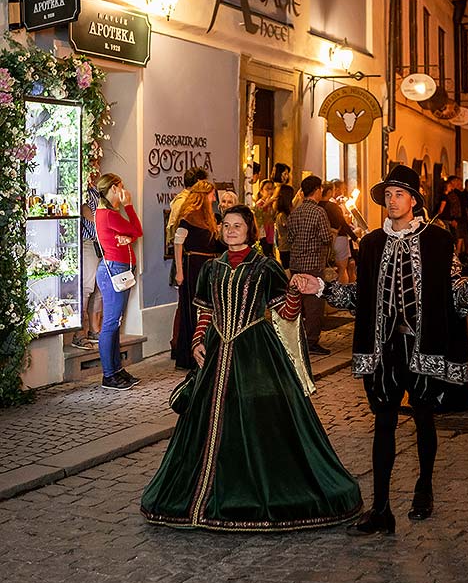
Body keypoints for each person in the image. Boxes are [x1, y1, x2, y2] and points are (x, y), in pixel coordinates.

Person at [296, 165, 468, 533]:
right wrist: (320, 288)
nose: (391, 201)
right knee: (383, 424)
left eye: (398, 194)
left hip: (422, 347)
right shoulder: (371, 243)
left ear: (414, 201)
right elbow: (359, 297)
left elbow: (454, 295)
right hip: (384, 351)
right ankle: (381, 507)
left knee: (423, 419)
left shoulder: (438, 241)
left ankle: (424, 487)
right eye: (387, 195)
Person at [141, 205, 362, 531]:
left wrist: (295, 293)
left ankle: (255, 488)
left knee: (259, 422)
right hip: (217, 351)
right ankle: (205, 493)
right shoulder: (211, 269)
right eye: (226, 225)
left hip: (257, 351)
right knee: (209, 422)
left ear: (250, 230)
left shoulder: (265, 267)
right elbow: (205, 311)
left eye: (237, 226)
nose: (231, 230)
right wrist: (198, 340)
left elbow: (285, 314)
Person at [95, 173, 143, 391]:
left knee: (116, 323)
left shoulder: (110, 214)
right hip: (114, 269)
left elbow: (133, 234)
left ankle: (116, 369)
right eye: (121, 186)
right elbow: (137, 229)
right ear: (114, 189)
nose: (124, 191)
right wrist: (130, 206)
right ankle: (109, 375)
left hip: (120, 269)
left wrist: (129, 238)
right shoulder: (108, 214)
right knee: (111, 323)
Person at [173, 180, 219, 371]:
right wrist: (179, 271)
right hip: (193, 266)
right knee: (193, 308)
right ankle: (190, 355)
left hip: (207, 265)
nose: (214, 198)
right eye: (212, 195)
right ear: (204, 196)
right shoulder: (188, 216)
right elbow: (178, 244)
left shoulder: (209, 218)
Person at [288, 175, 333, 356]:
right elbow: (326, 237)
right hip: (313, 264)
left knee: (297, 305)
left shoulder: (295, 212)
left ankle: (295, 339)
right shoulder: (319, 212)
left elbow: (290, 238)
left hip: (296, 264)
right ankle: (311, 341)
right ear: (317, 190)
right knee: (314, 306)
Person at [71, 170, 102, 349]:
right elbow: (86, 213)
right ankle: (79, 332)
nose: (95, 167)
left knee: (99, 287)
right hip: (89, 241)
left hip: (101, 242)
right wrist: (103, 228)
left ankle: (94, 329)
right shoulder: (83, 190)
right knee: (87, 286)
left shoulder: (97, 190)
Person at [319, 182, 358, 284]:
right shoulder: (332, 206)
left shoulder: (317, 206)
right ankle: (343, 293)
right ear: (329, 192)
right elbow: (343, 224)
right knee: (342, 269)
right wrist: (355, 238)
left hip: (323, 241)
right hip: (339, 238)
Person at [274, 183, 294, 272]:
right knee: (287, 271)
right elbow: (289, 227)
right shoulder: (282, 215)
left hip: (285, 246)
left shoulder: (281, 214)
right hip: (286, 247)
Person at [255, 178, 276, 256]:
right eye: (267, 189)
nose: (270, 192)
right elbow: (257, 214)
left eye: (272, 189)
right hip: (263, 235)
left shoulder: (271, 204)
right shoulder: (260, 203)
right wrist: (266, 204)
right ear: (261, 191)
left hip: (270, 234)